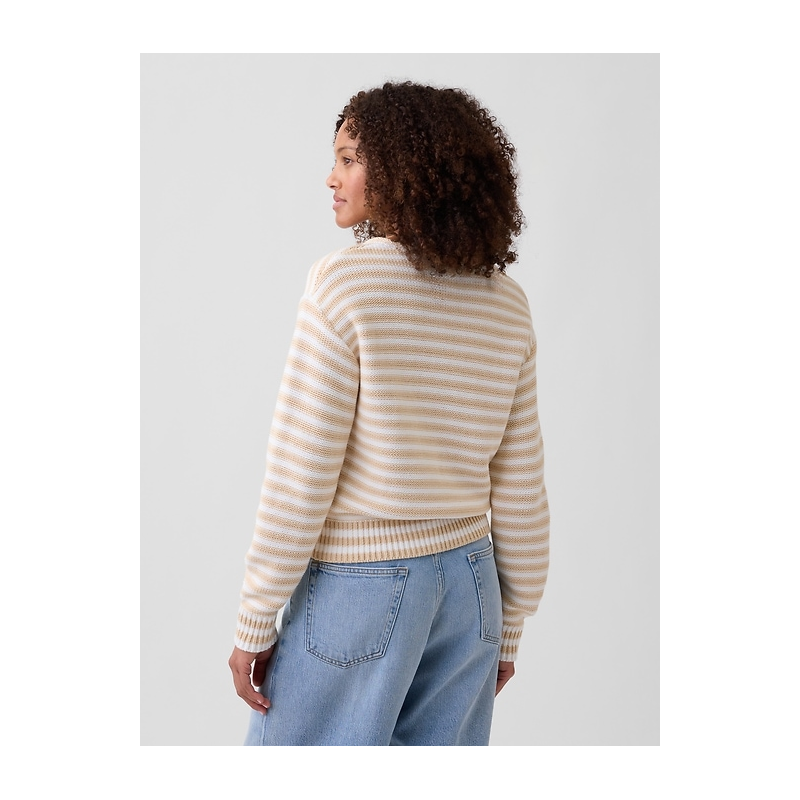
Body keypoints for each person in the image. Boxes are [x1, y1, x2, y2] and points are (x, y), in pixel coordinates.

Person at [228, 80, 550, 746]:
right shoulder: (506, 303)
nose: (331, 177)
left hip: (363, 584)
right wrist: (508, 624)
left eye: (349, 159)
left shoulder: (344, 285)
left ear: (403, 169)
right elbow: (521, 487)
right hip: (470, 587)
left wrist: (255, 619)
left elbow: (301, 472)